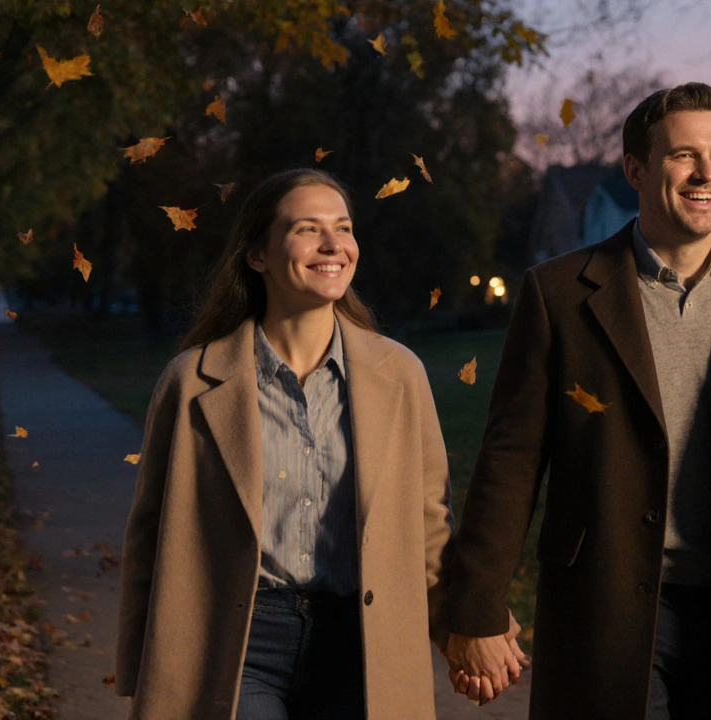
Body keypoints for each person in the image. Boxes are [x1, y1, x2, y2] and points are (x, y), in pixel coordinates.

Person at [441, 83, 711, 718]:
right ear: (636, 170)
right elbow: (511, 460)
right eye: (683, 156)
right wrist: (474, 607)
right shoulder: (559, 294)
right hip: (607, 600)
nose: (706, 175)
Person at [115, 168, 518, 719]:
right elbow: (150, 531)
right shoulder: (193, 381)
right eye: (308, 228)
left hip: (361, 643)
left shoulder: (400, 374)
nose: (334, 245)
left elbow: (427, 523)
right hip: (237, 642)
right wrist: (148, 665)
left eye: (344, 227)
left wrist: (469, 626)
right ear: (257, 254)